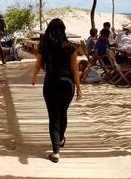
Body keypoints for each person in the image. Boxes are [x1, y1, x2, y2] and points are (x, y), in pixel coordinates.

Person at [30, 18, 82, 163]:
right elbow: (74, 70)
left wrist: (33, 77)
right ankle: (59, 140)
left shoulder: (44, 47)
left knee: (54, 117)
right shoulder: (71, 48)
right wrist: (78, 88)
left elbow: (38, 64)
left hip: (51, 84)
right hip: (67, 85)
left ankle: (56, 152)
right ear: (63, 31)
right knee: (63, 112)